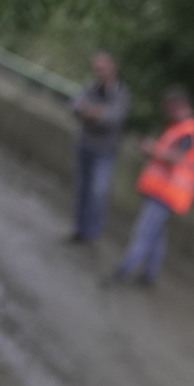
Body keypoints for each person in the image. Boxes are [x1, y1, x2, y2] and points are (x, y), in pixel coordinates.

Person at [108, 87, 194, 288]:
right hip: (159, 189)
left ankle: (123, 270)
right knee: (156, 234)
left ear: (178, 106)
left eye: (169, 108)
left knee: (144, 231)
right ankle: (149, 275)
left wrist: (151, 149)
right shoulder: (178, 128)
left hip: (166, 192)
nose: (166, 112)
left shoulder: (190, 130)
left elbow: (175, 157)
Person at [68, 51, 128, 243]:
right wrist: (96, 112)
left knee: (97, 192)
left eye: (103, 69)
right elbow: (75, 107)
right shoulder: (90, 87)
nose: (100, 73)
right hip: (85, 144)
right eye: (97, 69)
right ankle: (80, 230)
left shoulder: (120, 93)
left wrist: (92, 112)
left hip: (104, 151)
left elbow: (113, 119)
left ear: (112, 68)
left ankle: (92, 232)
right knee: (82, 189)